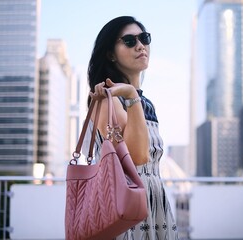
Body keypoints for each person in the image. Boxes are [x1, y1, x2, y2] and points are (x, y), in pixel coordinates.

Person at [83, 16, 179, 239]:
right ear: (110, 54)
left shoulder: (144, 102)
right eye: (129, 40)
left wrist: (133, 95)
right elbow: (137, 157)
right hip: (124, 206)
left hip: (153, 202)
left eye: (144, 38)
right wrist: (130, 94)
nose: (140, 46)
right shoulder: (108, 100)